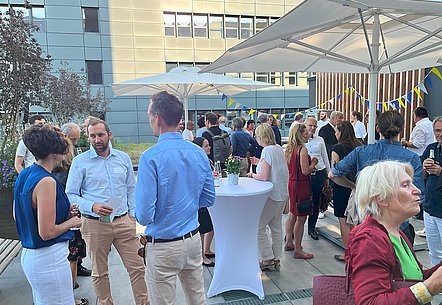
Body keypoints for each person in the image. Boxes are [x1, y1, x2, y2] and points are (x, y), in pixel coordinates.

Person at [136, 91, 215, 305]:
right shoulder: (198, 153)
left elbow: (143, 215)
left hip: (163, 245)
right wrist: (185, 204)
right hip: (191, 239)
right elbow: (208, 198)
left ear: (158, 119)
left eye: (149, 114)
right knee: (197, 298)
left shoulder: (150, 157)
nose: (149, 119)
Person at [66, 118, 148, 305]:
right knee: (99, 272)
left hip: (123, 221)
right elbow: (70, 195)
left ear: (109, 135)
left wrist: (133, 214)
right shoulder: (80, 162)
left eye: (100, 135)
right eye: (92, 136)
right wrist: (91, 205)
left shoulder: (123, 158)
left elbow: (131, 188)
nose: (97, 140)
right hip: (95, 224)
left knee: (137, 268)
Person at [346, 160, 442, 305]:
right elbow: (370, 302)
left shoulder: (397, 234)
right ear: (381, 199)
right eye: (405, 185)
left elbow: (414, 278)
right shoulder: (369, 240)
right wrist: (428, 289)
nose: (417, 190)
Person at [330, 110, 425, 245]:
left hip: (368, 223)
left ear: (377, 128)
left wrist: (356, 187)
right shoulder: (412, 158)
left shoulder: (361, 152)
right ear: (402, 129)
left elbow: (334, 174)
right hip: (398, 226)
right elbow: (420, 196)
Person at [14, 124, 82, 305]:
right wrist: (72, 222)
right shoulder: (47, 181)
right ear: (55, 149)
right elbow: (47, 232)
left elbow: (18, 214)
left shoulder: (25, 174)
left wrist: (63, 213)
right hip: (49, 258)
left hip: (32, 256)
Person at [247, 124, 288, 270]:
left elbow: (264, 177)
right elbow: (275, 168)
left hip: (272, 195)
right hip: (282, 193)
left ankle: (267, 258)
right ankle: (277, 259)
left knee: (258, 227)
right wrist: (259, 163)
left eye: (257, 136)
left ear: (261, 136)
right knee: (276, 227)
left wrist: (252, 174)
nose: (255, 138)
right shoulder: (277, 148)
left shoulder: (267, 150)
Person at [55, 123, 91, 290]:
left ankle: (73, 277)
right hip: (66, 213)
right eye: (73, 139)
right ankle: (69, 290)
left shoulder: (72, 154)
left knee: (74, 252)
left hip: (70, 211)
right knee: (71, 253)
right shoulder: (59, 167)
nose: (75, 143)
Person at [284, 124, 318, 259]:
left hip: (292, 183)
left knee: (292, 213)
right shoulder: (302, 150)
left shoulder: (289, 150)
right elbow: (305, 171)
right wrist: (314, 163)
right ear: (299, 135)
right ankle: (298, 249)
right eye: (305, 133)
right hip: (301, 185)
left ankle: (289, 242)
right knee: (302, 217)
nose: (308, 134)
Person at [330, 121, 362, 261]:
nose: (335, 134)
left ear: (341, 132)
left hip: (342, 187)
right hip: (359, 186)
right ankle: (359, 253)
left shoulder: (338, 148)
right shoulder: (360, 146)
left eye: (337, 131)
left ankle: (348, 255)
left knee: (343, 222)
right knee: (356, 222)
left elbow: (334, 172)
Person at [421, 115, 442, 266]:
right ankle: (437, 284)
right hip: (429, 207)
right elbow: (422, 176)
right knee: (434, 251)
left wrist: (441, 171)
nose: (439, 134)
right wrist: (424, 167)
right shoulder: (431, 148)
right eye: (437, 131)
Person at [304, 117, 330, 239]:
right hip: (304, 175)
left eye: (315, 126)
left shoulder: (320, 140)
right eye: (310, 125)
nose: (313, 128)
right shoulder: (299, 140)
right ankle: (294, 230)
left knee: (315, 202)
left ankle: (311, 228)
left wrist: (328, 176)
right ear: (305, 125)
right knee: (302, 203)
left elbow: (325, 157)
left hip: (319, 173)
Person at [193, 137, 216, 267]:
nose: (209, 148)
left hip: (205, 199)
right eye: (206, 146)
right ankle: (201, 256)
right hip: (201, 200)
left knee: (210, 226)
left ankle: (206, 250)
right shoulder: (199, 161)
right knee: (202, 229)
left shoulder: (207, 160)